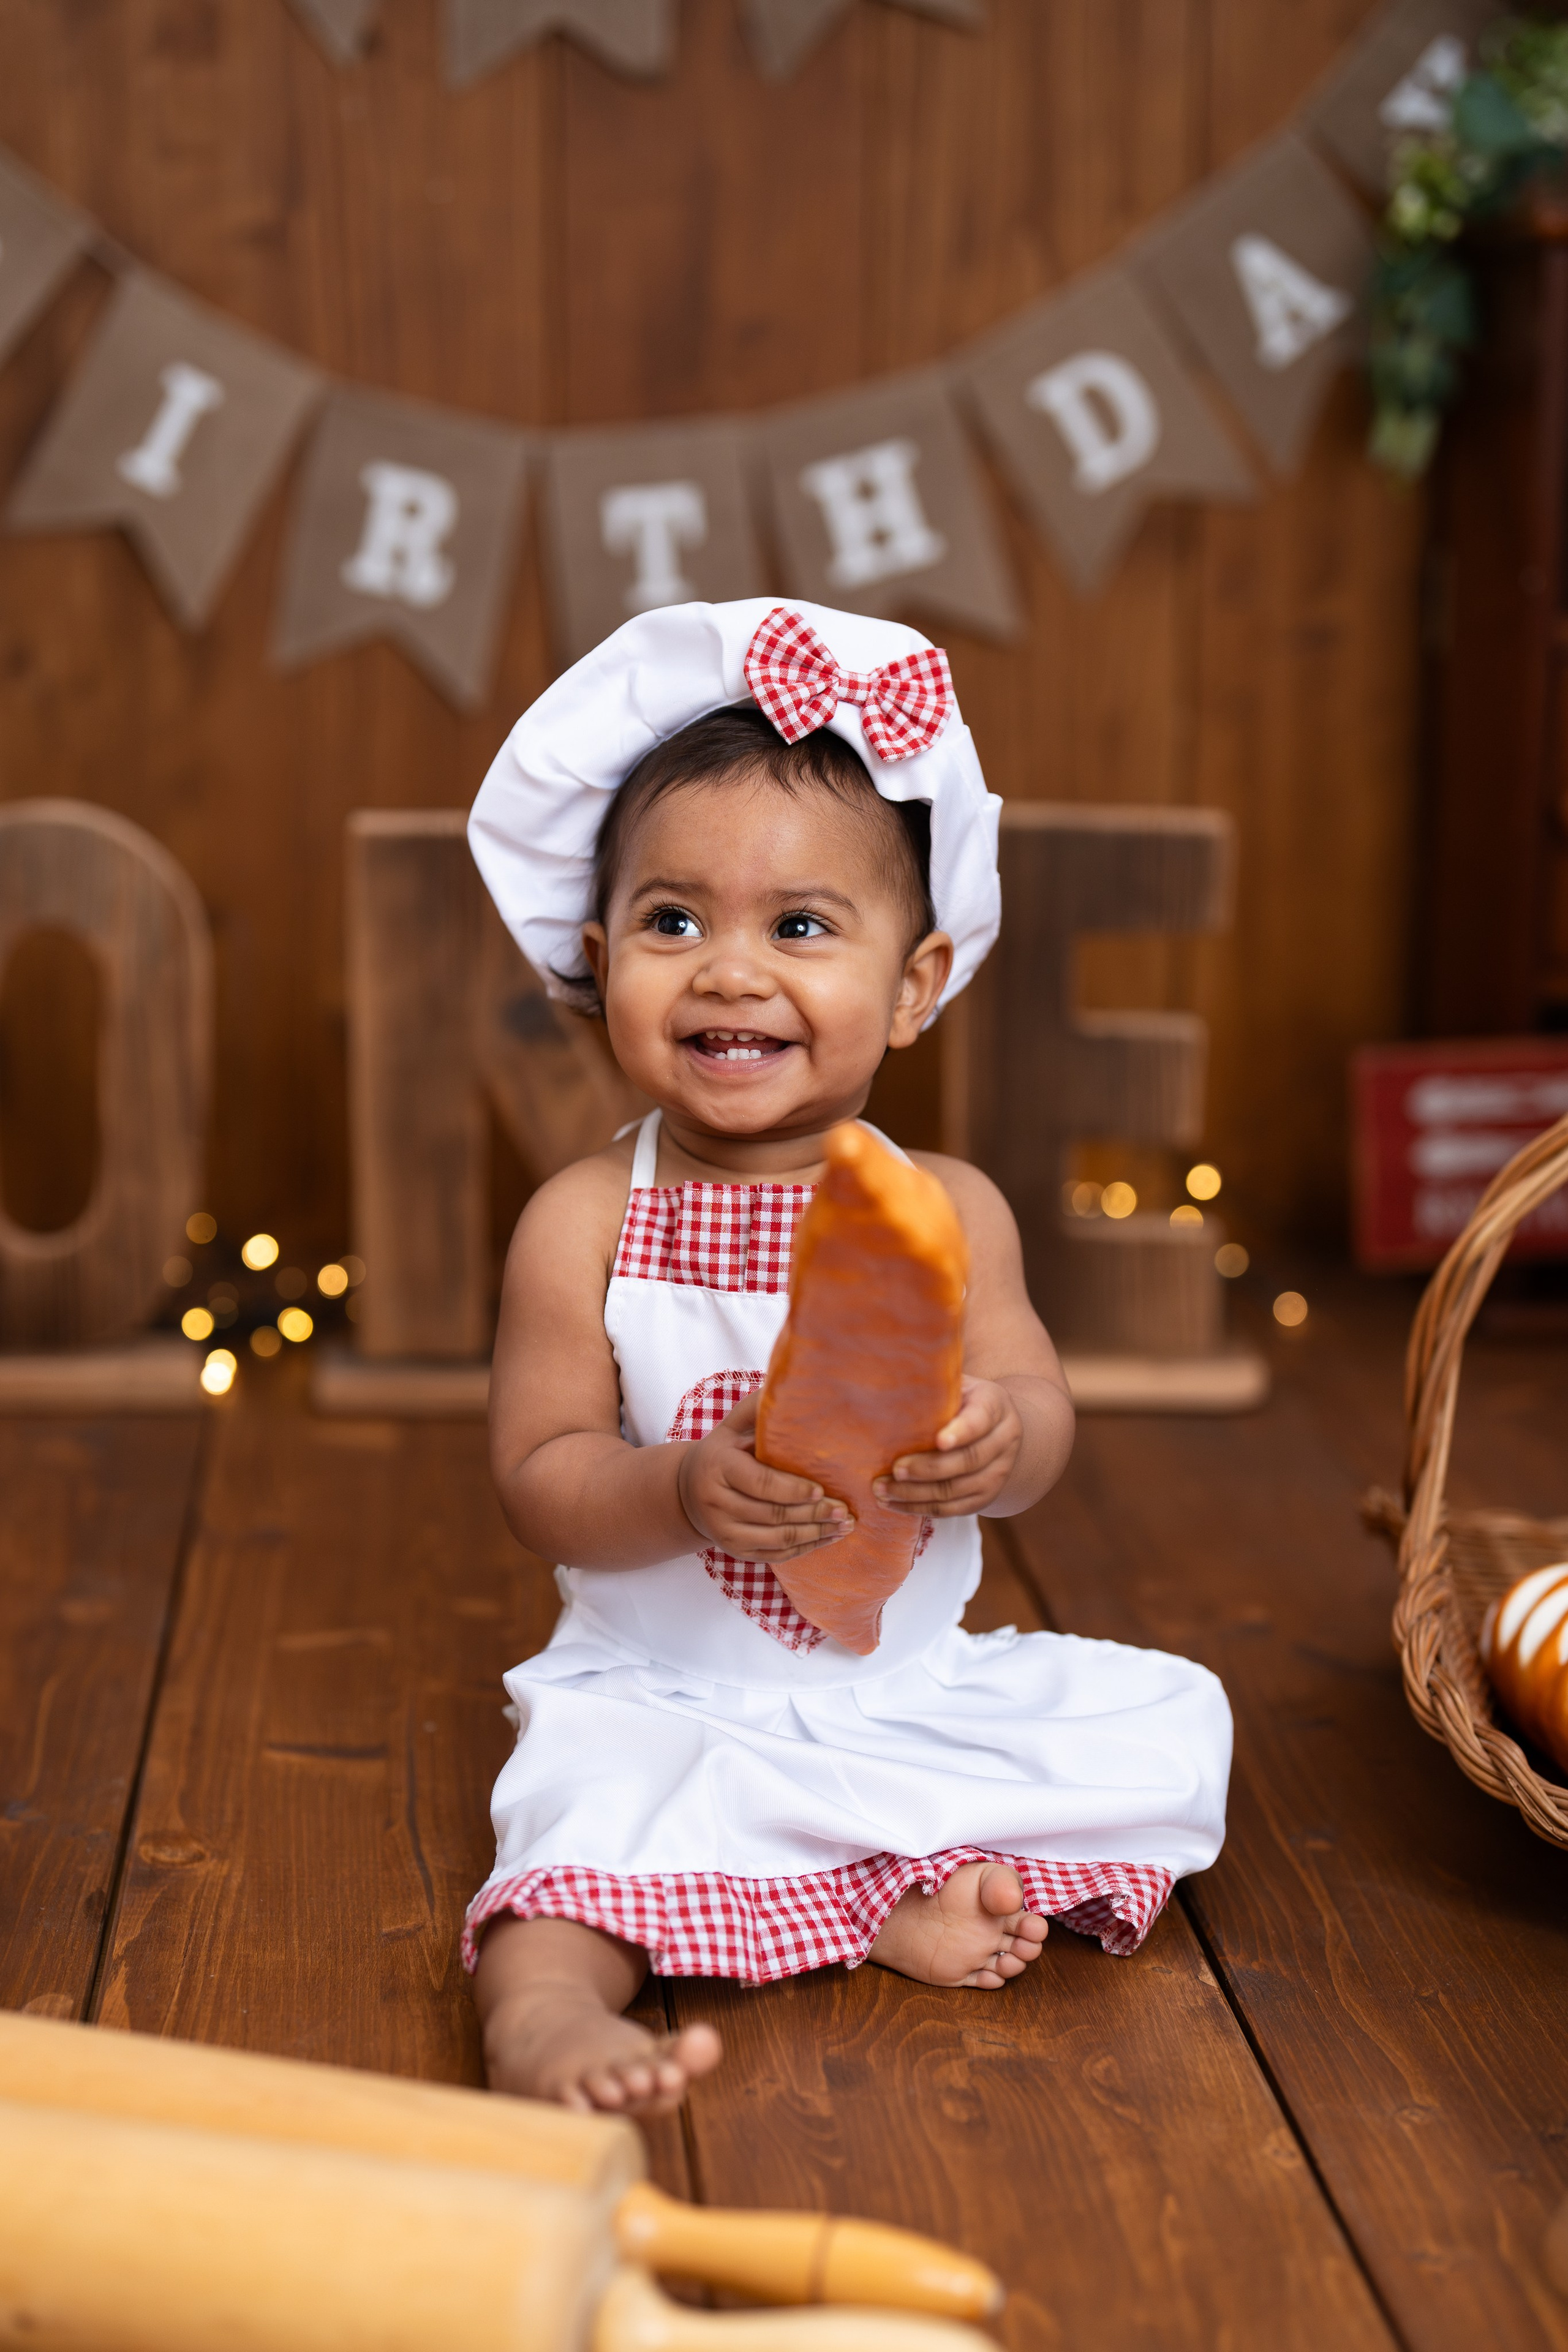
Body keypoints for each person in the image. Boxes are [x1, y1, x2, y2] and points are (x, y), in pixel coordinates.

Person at [462, 600, 1232, 2117]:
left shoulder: (947, 1211)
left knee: (1174, 1724)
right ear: (596, 960)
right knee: (580, 1826)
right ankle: (542, 2017)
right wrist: (677, 1489)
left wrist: (996, 1436)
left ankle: (871, 1889)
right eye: (671, 923)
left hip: (896, 1683)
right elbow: (539, 1475)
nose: (728, 973)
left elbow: (1037, 1417)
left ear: (914, 983)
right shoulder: (585, 1220)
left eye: (799, 927)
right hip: (663, 1687)